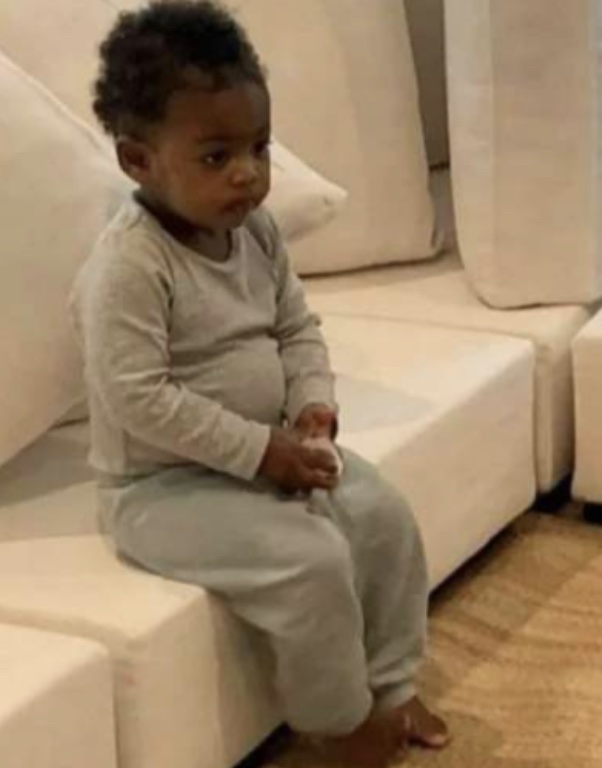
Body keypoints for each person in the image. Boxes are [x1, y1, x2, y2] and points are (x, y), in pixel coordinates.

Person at [70, 2, 450, 764]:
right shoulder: (130, 266)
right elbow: (138, 399)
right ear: (138, 161)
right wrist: (262, 452)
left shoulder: (256, 230)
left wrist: (312, 408)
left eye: (259, 147)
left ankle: (389, 685)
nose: (247, 172)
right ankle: (336, 720)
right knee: (310, 561)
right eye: (216, 157)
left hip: (269, 454)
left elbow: (295, 327)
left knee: (381, 516)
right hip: (162, 490)